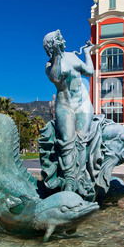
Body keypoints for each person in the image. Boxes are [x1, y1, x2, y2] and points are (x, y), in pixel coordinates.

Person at [43, 30, 94, 194]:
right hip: (65, 106)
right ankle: (70, 181)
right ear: (53, 45)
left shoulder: (73, 56)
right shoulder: (49, 65)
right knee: (67, 143)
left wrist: (87, 53)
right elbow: (56, 78)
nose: (64, 39)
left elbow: (89, 72)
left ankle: (80, 180)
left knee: (81, 141)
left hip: (83, 103)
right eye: (60, 39)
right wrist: (57, 56)